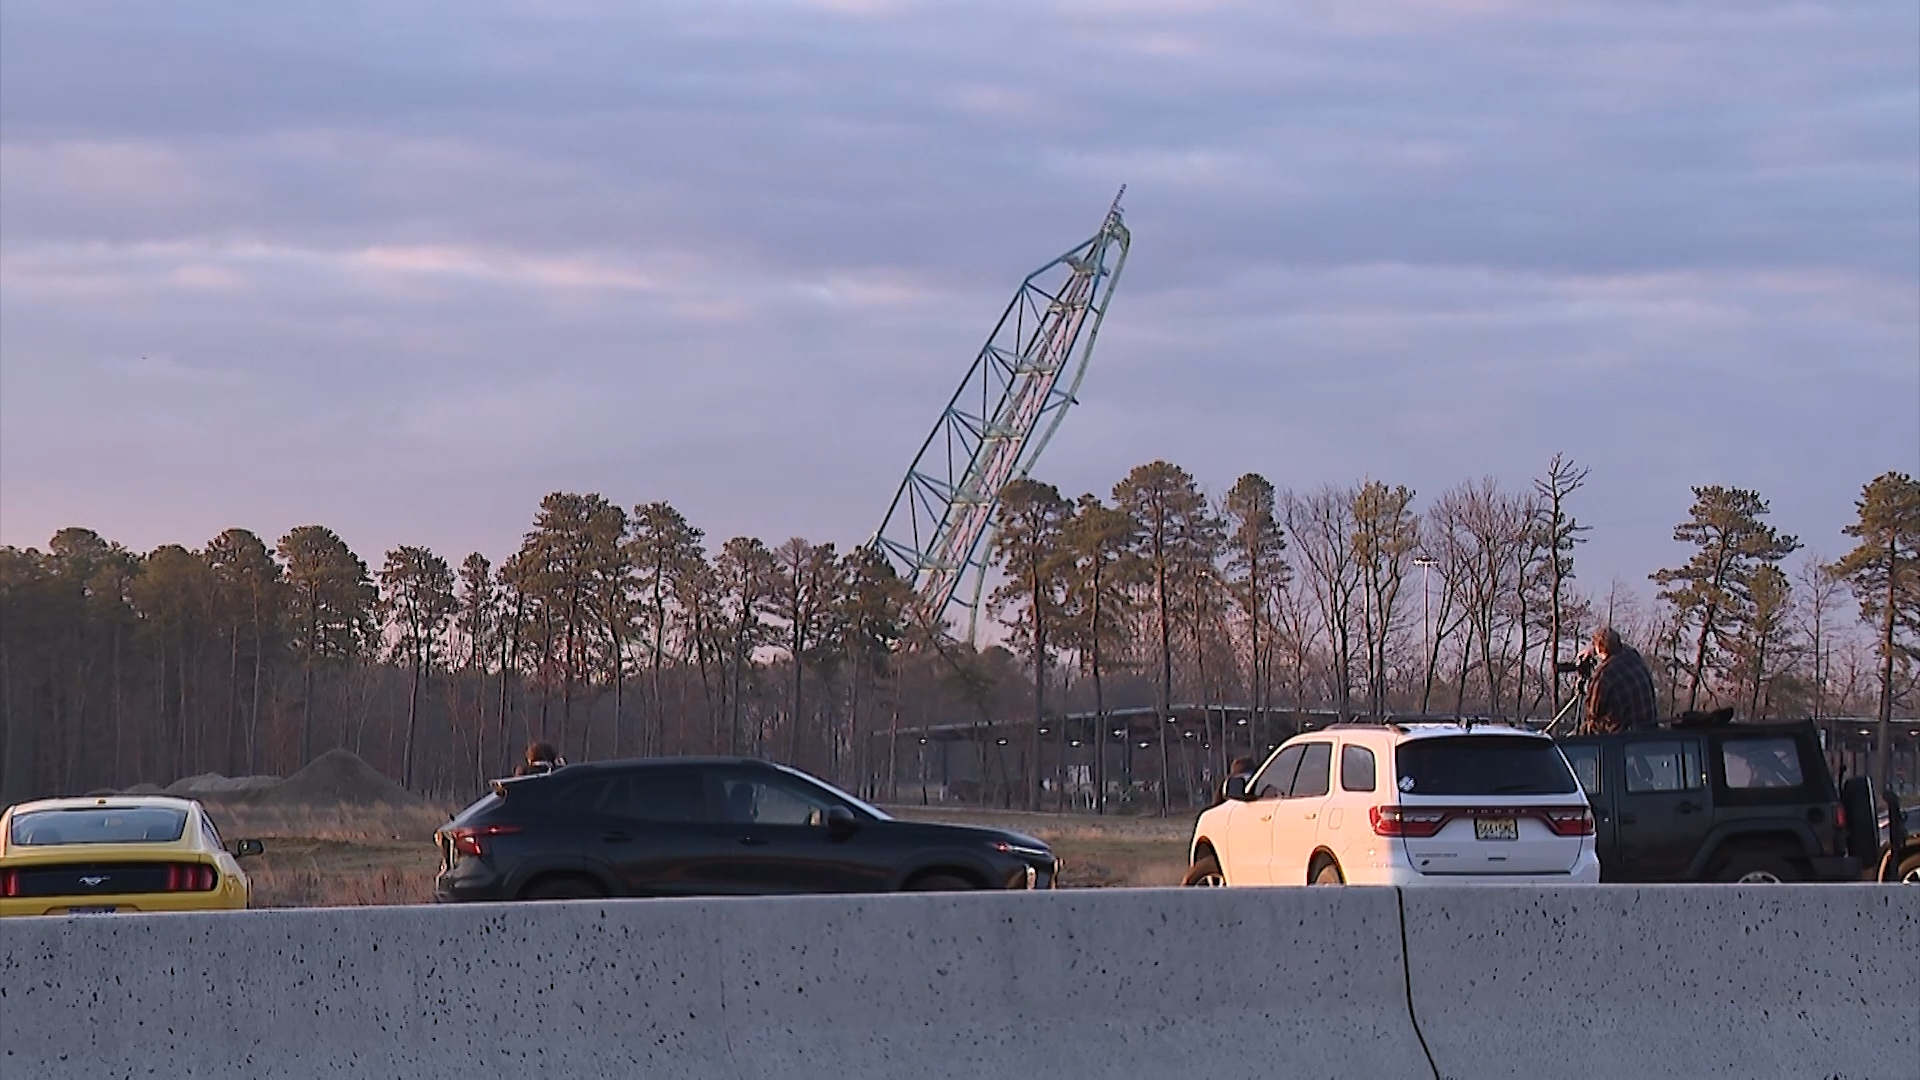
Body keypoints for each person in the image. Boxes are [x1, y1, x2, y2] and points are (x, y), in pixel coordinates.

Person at [1580, 627, 1659, 735]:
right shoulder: (1633, 656)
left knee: (1592, 726)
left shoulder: (1604, 673)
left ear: (1599, 647)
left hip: (1623, 738)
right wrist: (1593, 651)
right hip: (1648, 730)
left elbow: (1593, 712)